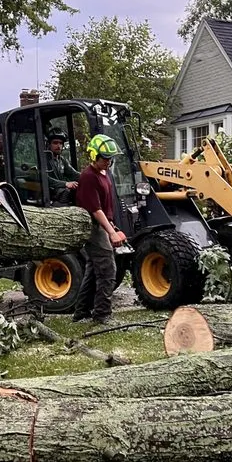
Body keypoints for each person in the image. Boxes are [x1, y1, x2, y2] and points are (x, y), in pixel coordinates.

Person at [72, 134, 127, 325]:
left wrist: (111, 225)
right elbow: (95, 209)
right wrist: (110, 232)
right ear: (94, 155)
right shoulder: (88, 177)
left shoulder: (104, 174)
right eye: (104, 158)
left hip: (102, 225)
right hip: (93, 228)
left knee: (93, 270)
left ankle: (81, 312)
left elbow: (105, 206)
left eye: (110, 158)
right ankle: (102, 314)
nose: (108, 162)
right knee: (107, 270)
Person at [45, 128, 80, 203]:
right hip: (49, 194)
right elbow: (44, 178)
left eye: (60, 143)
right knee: (67, 192)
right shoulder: (43, 160)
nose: (58, 146)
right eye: (55, 143)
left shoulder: (62, 160)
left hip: (60, 191)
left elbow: (74, 174)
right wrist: (65, 184)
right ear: (48, 144)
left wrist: (88, 177)